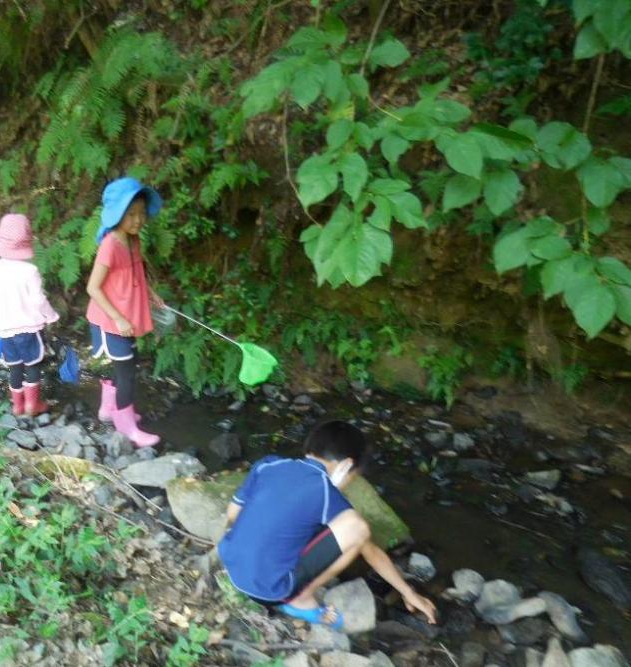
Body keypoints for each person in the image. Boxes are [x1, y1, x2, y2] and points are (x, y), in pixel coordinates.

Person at [218, 420, 437, 629]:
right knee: (356, 527)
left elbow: (232, 513)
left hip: (231, 563)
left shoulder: (269, 464)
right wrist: (409, 593)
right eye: (354, 477)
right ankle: (300, 599)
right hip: (270, 590)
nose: (349, 484)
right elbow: (367, 547)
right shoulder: (325, 491)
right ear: (346, 465)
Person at [86, 177, 164, 448]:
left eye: (142, 213)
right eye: (131, 214)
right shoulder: (110, 245)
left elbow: (136, 274)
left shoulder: (133, 241)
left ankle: (110, 409)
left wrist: (151, 295)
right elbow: (93, 287)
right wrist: (118, 318)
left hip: (127, 318)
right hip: (111, 320)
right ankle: (127, 427)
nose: (138, 220)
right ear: (116, 213)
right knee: (128, 372)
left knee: (125, 367)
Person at [0, 213, 59, 417]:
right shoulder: (30, 270)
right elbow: (39, 300)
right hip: (29, 329)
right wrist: (51, 316)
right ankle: (32, 405)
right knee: (32, 365)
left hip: (5, 331)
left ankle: (17, 406)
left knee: (14, 367)